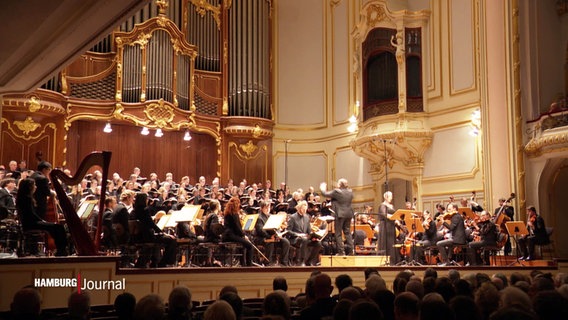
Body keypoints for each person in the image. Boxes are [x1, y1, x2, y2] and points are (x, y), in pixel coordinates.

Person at [16, 178, 68, 256]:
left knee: (56, 227)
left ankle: (60, 249)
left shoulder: (23, 198)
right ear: (29, 187)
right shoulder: (26, 199)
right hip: (31, 224)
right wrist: (42, 221)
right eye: (34, 185)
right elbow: (31, 214)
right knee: (58, 227)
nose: (36, 187)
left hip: (30, 222)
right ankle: (61, 250)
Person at [132, 192, 177, 267]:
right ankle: (163, 263)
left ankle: (156, 262)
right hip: (148, 237)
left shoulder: (135, 210)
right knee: (172, 240)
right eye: (146, 199)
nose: (147, 201)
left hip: (140, 236)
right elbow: (151, 224)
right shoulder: (144, 210)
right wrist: (163, 233)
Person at [320, 178, 354, 255]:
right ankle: (351, 251)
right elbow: (343, 200)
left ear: (339, 184)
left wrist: (322, 187)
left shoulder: (337, 192)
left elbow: (325, 194)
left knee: (338, 233)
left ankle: (341, 252)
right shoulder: (350, 192)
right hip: (349, 214)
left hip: (340, 214)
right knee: (347, 232)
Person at [254, 200, 290, 266]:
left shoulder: (271, 216)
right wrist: (269, 236)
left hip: (273, 235)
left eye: (269, 207)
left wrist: (278, 234)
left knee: (286, 242)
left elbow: (276, 227)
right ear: (261, 208)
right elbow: (260, 230)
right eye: (266, 208)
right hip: (262, 237)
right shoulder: (259, 217)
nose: (268, 209)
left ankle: (284, 261)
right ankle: (268, 262)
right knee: (271, 242)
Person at [287, 200, 322, 266]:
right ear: (299, 208)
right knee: (304, 239)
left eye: (305, 209)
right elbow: (288, 231)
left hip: (305, 238)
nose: (305, 211)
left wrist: (313, 236)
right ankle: (301, 261)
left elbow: (309, 231)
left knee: (318, 243)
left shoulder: (306, 217)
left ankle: (309, 261)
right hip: (295, 239)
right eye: (303, 209)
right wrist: (298, 234)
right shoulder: (293, 217)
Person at [222, 196, 254, 267]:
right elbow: (238, 228)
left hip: (227, 235)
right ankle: (249, 265)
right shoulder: (234, 214)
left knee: (243, 243)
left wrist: (242, 235)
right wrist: (244, 235)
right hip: (231, 235)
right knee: (249, 246)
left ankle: (243, 263)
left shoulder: (227, 213)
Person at [377, 191, 398, 265]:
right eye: (390, 196)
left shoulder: (391, 206)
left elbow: (395, 214)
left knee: (391, 242)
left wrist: (397, 219)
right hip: (385, 225)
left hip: (391, 226)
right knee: (386, 242)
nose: (391, 198)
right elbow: (384, 214)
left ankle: (393, 261)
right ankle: (385, 261)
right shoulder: (382, 205)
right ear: (385, 197)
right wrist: (394, 217)